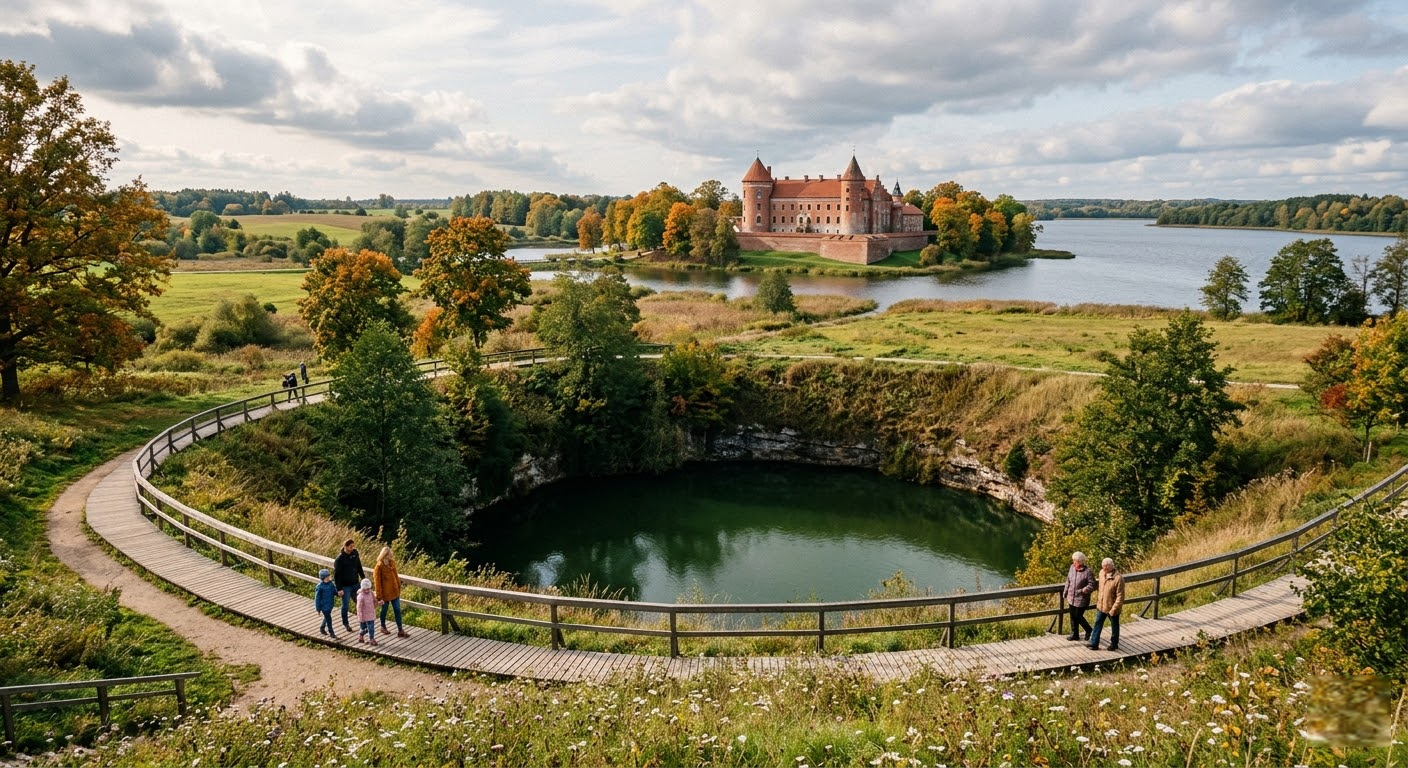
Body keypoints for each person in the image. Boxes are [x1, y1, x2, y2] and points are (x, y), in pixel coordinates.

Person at [373, 546, 409, 638]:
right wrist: (379, 596)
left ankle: (400, 630)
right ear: (385, 554)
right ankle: (382, 626)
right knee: (384, 610)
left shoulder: (392, 563)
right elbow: (377, 582)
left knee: (397, 610)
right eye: (389, 554)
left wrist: (398, 586)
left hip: (394, 591)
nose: (391, 556)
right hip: (385, 594)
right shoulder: (379, 566)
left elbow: (396, 576)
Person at [1089, 557, 1125, 652]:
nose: (1104, 568)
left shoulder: (1118, 578)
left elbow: (1120, 596)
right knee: (1097, 623)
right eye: (1103, 566)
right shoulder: (1101, 573)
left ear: (1111, 566)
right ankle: (1094, 643)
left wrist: (1114, 609)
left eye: (1106, 566)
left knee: (1114, 626)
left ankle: (1114, 644)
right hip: (1101, 605)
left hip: (1112, 607)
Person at [332, 538, 365, 631]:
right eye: (350, 547)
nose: (352, 548)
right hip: (345, 586)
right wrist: (339, 588)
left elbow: (359, 567)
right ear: (345, 546)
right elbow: (337, 575)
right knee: (345, 605)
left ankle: (362, 621)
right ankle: (346, 623)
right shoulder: (339, 559)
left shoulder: (355, 554)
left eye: (353, 546)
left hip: (355, 584)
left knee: (360, 602)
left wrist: (363, 578)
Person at [1063, 551, 1095, 641]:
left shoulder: (1087, 572)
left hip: (1082, 598)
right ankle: (1074, 634)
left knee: (1078, 617)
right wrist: (1065, 592)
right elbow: (1068, 580)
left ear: (1080, 562)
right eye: (1073, 561)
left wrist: (1083, 590)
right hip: (1071, 597)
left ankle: (1089, 630)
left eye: (1075, 561)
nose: (1074, 563)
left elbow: (1092, 584)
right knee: (1072, 616)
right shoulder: (1072, 568)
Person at [314, 568, 338, 639]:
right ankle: (331, 633)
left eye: (328, 577)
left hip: (330, 604)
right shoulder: (320, 587)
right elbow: (317, 599)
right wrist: (318, 609)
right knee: (329, 619)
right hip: (324, 606)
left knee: (327, 617)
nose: (328, 578)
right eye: (326, 577)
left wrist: (338, 594)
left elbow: (334, 591)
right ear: (322, 578)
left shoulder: (331, 584)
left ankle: (322, 628)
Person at [356, 577, 379, 646]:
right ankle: (361, 635)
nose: (368, 590)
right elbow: (359, 608)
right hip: (364, 615)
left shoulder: (370, 593)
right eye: (366, 589)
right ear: (363, 588)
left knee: (371, 627)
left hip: (371, 614)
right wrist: (360, 617)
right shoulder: (361, 596)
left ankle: (371, 639)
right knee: (364, 628)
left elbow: (374, 599)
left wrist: (378, 603)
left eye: (369, 588)